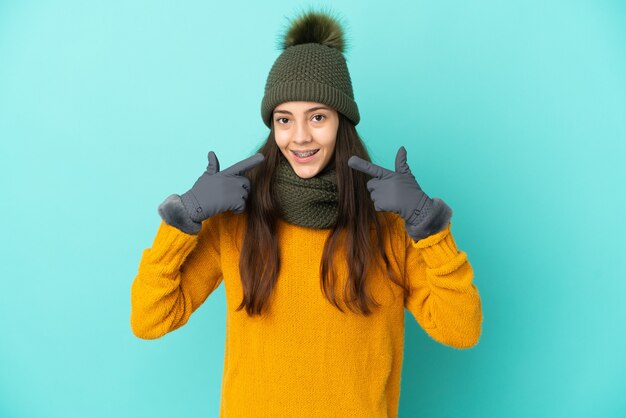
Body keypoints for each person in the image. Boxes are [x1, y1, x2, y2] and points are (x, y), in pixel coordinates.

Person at [130, 9, 482, 418]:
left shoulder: (389, 224)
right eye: (284, 119)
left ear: (341, 122)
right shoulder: (236, 220)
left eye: (317, 117)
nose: (299, 136)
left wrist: (427, 225)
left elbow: (461, 329)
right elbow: (150, 318)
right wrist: (184, 217)